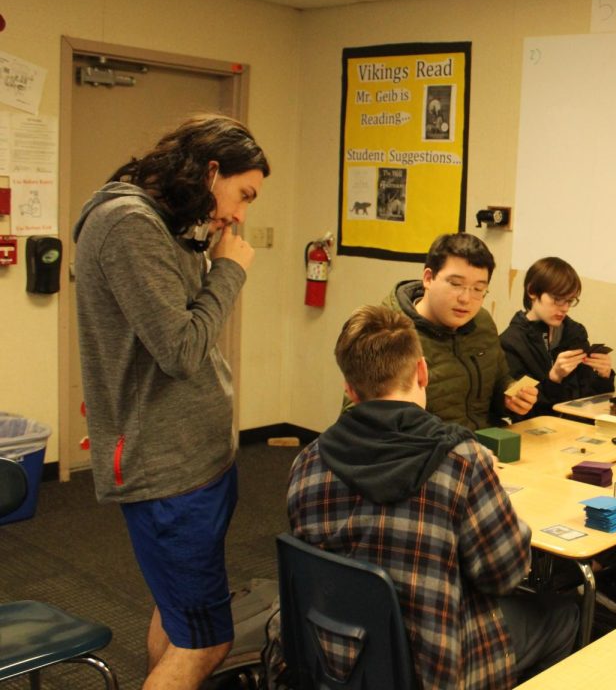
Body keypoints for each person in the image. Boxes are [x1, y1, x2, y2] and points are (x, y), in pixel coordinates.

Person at [73, 114, 268, 689]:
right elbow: (181, 349)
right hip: (168, 471)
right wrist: (229, 270)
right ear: (212, 171)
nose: (239, 215)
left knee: (180, 618)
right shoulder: (127, 225)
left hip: (196, 459)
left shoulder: (169, 224)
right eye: (243, 194)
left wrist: (208, 250)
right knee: (206, 641)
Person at [289, 306, 577, 688]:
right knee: (564, 614)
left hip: (335, 650)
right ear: (422, 372)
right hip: (437, 667)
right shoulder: (463, 461)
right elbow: (504, 575)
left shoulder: (307, 461)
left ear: (350, 390)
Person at [379, 233, 537, 430]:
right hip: (429, 453)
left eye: (478, 289)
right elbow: (363, 418)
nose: (466, 299)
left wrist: (511, 397)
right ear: (428, 278)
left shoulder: (482, 322)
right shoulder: (388, 333)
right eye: (455, 284)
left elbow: (499, 382)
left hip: (485, 446)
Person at [500, 256, 615, 419]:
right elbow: (521, 410)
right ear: (532, 291)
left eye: (570, 301)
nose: (565, 308)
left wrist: (604, 376)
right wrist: (554, 378)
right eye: (558, 299)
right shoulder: (511, 342)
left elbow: (592, 401)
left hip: (578, 427)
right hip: (538, 431)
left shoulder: (575, 332)